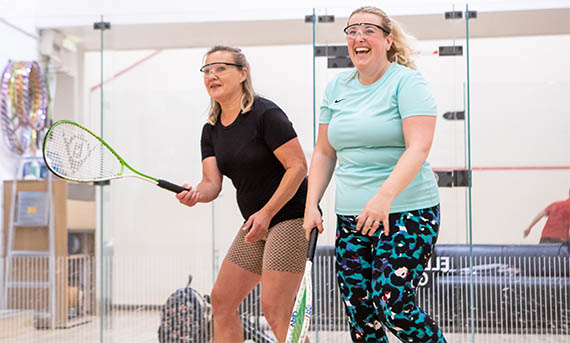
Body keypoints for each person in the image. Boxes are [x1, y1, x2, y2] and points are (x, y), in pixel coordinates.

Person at [303, 6, 446, 343]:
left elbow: (418, 148)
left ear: (387, 39)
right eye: (352, 31)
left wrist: (383, 199)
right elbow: (325, 151)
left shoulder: (408, 83)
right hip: (352, 216)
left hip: (406, 211)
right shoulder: (336, 86)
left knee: (393, 305)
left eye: (368, 30)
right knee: (360, 312)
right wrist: (311, 204)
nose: (359, 37)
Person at [176, 46, 309, 343]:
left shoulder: (266, 114)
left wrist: (267, 213)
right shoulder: (210, 130)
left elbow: (298, 167)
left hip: (289, 217)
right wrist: (196, 193)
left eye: (221, 68)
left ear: (243, 74)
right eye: (207, 70)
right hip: (255, 224)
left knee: (276, 309)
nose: (212, 75)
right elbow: (212, 183)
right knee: (222, 301)